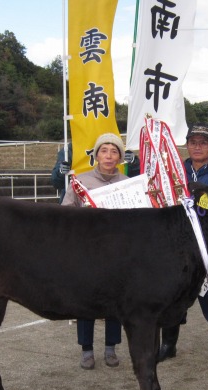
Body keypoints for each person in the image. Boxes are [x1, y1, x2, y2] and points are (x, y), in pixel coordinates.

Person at [157, 123, 208, 369]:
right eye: (193, 142)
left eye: (203, 142)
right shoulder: (175, 170)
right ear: (187, 144)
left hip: (207, 251)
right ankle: (169, 345)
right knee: (173, 299)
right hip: (178, 250)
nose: (198, 147)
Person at [61, 133, 126, 369]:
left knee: (115, 301)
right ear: (96, 155)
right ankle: (86, 350)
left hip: (117, 253)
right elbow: (65, 213)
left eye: (114, 151)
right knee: (85, 301)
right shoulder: (81, 181)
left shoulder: (128, 182)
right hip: (86, 253)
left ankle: (111, 347)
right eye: (104, 150)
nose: (109, 156)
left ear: (120, 156)